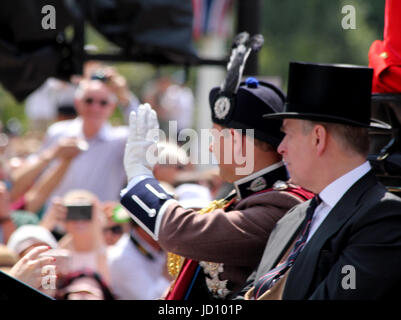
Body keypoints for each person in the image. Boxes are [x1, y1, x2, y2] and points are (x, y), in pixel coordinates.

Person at [121, 73, 313, 299]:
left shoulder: (282, 205)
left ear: (237, 140)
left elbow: (181, 231)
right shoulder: (246, 197)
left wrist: (139, 178)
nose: (211, 148)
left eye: (216, 137)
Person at [240, 61, 401, 300]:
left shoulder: (384, 218)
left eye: (287, 134)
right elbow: (248, 293)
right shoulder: (294, 218)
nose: (281, 148)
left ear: (318, 138)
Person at [35, 70, 139, 203]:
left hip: (101, 220)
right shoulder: (58, 132)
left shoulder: (120, 139)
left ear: (112, 107)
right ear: (77, 102)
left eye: (103, 103)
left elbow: (148, 139)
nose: (95, 108)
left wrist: (126, 98)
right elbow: (37, 175)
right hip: (60, 217)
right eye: (89, 101)